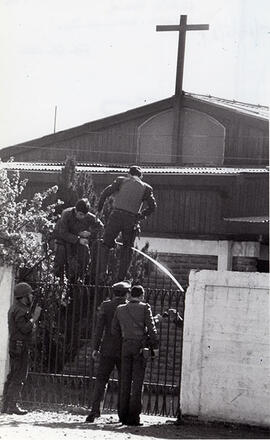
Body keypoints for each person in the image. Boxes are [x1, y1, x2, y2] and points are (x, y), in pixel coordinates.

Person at [97, 166, 157, 282]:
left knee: (105, 244)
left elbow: (105, 193)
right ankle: (121, 278)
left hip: (116, 215)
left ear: (129, 174)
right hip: (131, 219)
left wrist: (99, 209)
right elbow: (152, 207)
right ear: (141, 176)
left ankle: (101, 273)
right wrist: (140, 215)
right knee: (127, 249)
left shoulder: (121, 181)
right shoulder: (146, 188)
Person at [112, 285, 159, 426]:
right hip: (140, 347)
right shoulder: (145, 308)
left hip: (125, 346)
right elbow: (152, 329)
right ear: (142, 295)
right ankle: (134, 418)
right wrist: (155, 346)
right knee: (137, 383)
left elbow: (114, 329)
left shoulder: (120, 309)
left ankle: (122, 415)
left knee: (125, 381)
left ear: (130, 294)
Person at [85, 281, 131, 423]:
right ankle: (122, 413)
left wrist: (95, 348)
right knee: (124, 381)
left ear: (113, 292)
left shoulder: (106, 306)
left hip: (107, 349)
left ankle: (94, 411)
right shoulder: (128, 307)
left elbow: (99, 329)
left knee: (101, 380)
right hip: (124, 349)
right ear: (127, 293)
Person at [1, 282, 42, 415]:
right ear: (24, 296)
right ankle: (12, 405)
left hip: (16, 344)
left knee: (13, 374)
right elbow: (24, 329)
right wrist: (34, 319)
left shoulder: (16, 308)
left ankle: (5, 405)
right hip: (20, 345)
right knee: (19, 375)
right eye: (30, 293)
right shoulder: (20, 310)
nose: (31, 296)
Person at [53, 198, 103, 283]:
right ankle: (59, 280)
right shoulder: (66, 214)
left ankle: (79, 278)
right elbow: (63, 233)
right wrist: (78, 239)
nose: (82, 217)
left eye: (84, 215)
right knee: (61, 255)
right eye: (80, 214)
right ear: (76, 210)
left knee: (85, 255)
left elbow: (101, 227)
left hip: (78, 241)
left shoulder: (88, 216)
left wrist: (90, 233)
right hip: (62, 240)